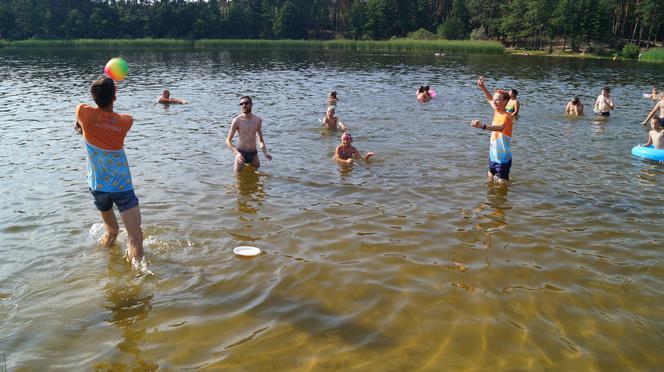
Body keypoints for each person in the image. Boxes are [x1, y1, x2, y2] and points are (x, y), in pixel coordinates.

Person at [74, 77, 145, 268]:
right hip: (122, 187)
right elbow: (129, 116)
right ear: (115, 96)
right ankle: (138, 277)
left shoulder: (83, 113)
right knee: (135, 237)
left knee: (112, 231)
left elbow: (83, 108)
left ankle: (103, 261)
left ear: (94, 96)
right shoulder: (125, 122)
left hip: (98, 187)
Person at [470, 76, 514, 185]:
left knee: (502, 186)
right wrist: (482, 87)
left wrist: (482, 126)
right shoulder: (497, 111)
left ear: (505, 101)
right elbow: (490, 99)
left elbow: (500, 128)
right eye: (494, 99)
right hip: (493, 156)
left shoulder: (506, 116)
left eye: (497, 99)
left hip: (503, 159)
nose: (494, 101)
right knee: (490, 182)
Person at [226, 96, 272, 172]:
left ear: (251, 104)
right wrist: (236, 153)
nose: (244, 105)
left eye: (246, 103)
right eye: (241, 104)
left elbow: (260, 140)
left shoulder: (258, 120)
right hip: (241, 153)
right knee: (238, 178)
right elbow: (228, 141)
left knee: (256, 178)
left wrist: (265, 154)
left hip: (253, 154)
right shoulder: (237, 120)